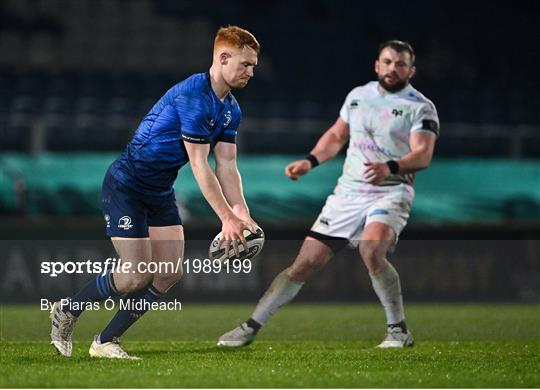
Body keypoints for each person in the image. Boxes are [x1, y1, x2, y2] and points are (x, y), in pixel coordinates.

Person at [50, 26, 260, 359]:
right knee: (136, 276)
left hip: (159, 190)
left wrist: (241, 211)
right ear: (223, 58)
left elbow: (227, 165)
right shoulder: (194, 97)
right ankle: (68, 309)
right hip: (126, 186)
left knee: (169, 273)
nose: (251, 72)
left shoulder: (231, 108)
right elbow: (199, 165)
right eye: (246, 64)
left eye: (253, 66)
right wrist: (226, 218)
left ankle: (105, 341)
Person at [218, 40, 439, 349]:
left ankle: (398, 330)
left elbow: (423, 155)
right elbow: (337, 136)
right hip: (348, 194)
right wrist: (309, 162)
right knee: (304, 264)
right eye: (387, 62)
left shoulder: (420, 106)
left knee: (371, 251)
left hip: (390, 192)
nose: (392, 68)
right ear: (377, 65)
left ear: (411, 70)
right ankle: (250, 326)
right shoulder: (358, 97)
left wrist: (392, 166)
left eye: (400, 64)